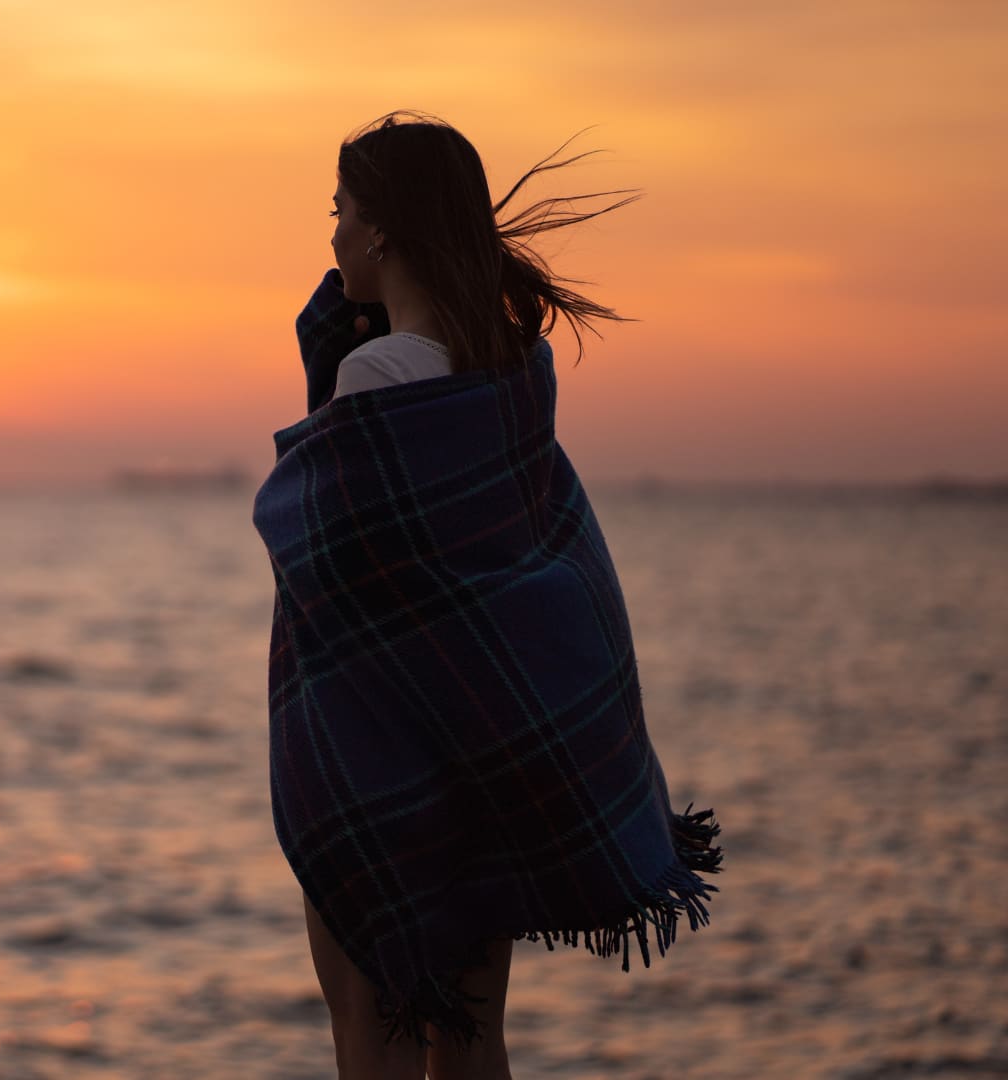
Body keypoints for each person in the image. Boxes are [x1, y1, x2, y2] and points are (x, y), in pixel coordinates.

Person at [253, 111, 725, 1080]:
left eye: (340, 211)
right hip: (478, 772)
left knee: (371, 1041)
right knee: (473, 1044)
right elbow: (503, 580)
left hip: (384, 774)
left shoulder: (375, 373)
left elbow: (338, 583)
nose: (333, 234)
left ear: (382, 231)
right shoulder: (499, 379)